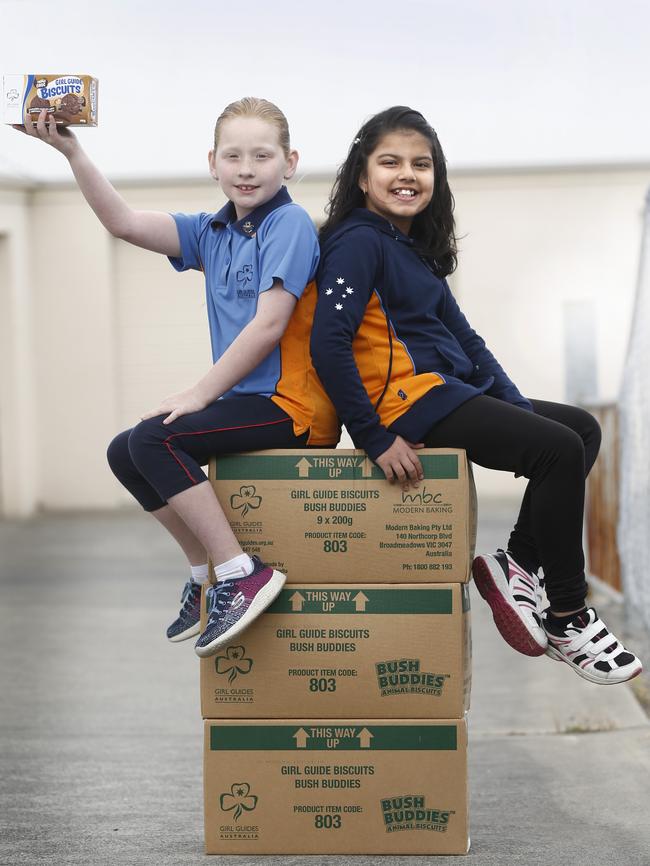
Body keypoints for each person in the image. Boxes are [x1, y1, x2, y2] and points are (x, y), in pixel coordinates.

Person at [310, 105, 642, 685]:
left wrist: (514, 408)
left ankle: (518, 563)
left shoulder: (410, 249)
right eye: (389, 162)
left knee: (577, 431)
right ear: (362, 176)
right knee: (558, 450)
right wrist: (373, 436)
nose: (406, 174)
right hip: (408, 403)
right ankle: (567, 614)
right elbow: (329, 342)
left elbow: (467, 340)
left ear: (437, 178)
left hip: (447, 392)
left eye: (422, 163)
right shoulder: (356, 242)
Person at [15, 96, 338, 658]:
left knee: (155, 437)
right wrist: (72, 153)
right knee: (126, 452)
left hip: (292, 407)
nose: (245, 168)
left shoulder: (288, 224)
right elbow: (123, 223)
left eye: (262, 156)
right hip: (246, 402)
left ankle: (241, 574)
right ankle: (204, 575)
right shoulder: (211, 231)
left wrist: (196, 394)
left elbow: (267, 328)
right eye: (233, 156)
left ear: (289, 163)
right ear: (212, 163)